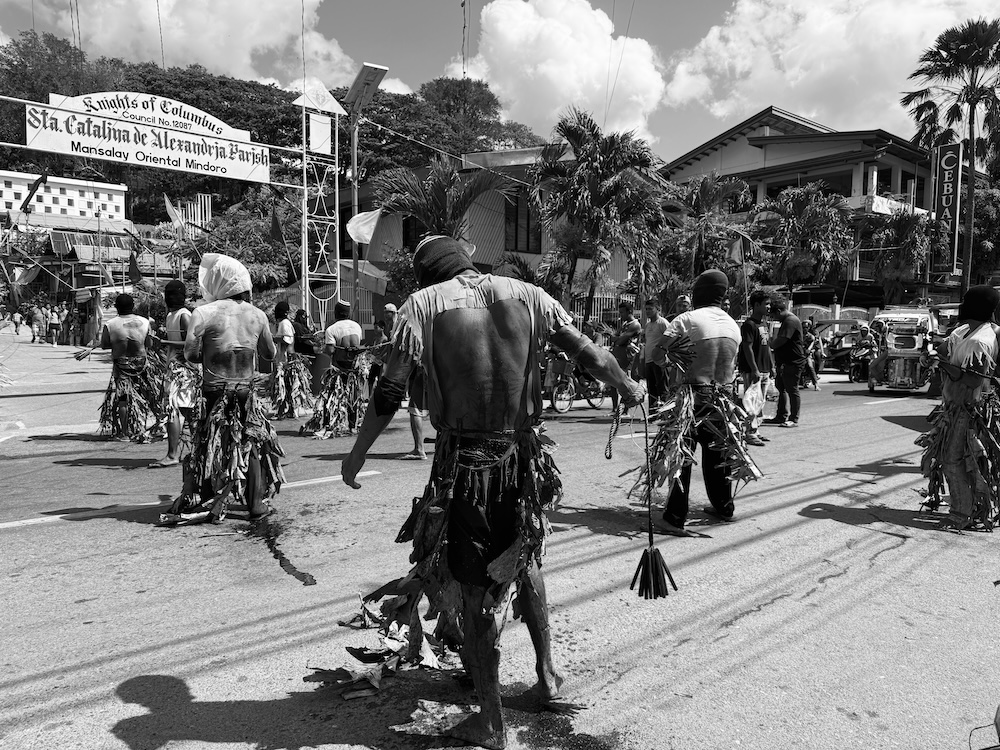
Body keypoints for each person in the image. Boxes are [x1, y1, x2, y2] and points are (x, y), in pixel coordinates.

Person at [342, 235, 644, 750]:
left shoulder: (422, 305)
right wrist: (628, 386)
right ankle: (547, 677)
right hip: (521, 458)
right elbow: (590, 353)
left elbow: (391, 389)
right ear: (466, 261)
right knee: (522, 559)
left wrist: (358, 452)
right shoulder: (530, 296)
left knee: (479, 586)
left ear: (427, 275)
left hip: (467, 466)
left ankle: (491, 722)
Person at [161, 253, 283, 526]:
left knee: (206, 443)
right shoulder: (258, 315)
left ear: (217, 283)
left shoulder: (203, 313)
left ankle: (207, 496)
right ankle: (255, 504)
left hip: (213, 391)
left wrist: (213, 351)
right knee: (250, 443)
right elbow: (269, 353)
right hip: (245, 392)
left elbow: (191, 355)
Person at [657, 270, 744, 534]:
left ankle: (674, 517)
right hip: (723, 399)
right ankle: (723, 507)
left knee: (681, 456)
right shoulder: (733, 325)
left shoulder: (686, 319)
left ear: (698, 293)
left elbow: (659, 355)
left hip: (692, 397)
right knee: (720, 456)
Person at [917, 285, 1000, 531]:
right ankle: (970, 506)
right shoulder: (964, 331)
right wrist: (930, 354)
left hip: (970, 410)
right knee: (960, 460)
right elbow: (943, 350)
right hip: (954, 407)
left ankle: (961, 513)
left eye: (966, 300)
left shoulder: (982, 340)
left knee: (953, 460)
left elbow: (973, 380)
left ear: (976, 306)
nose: (962, 304)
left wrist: (941, 364)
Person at [149, 280, 199, 469]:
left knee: (175, 410)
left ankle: (173, 454)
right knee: (185, 410)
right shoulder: (172, 316)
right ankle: (192, 451)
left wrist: (164, 342)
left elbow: (191, 344)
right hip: (175, 368)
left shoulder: (184, 316)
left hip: (183, 370)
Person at [99, 294, 160, 441]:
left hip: (122, 364)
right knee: (150, 394)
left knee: (123, 399)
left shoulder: (110, 324)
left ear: (116, 307)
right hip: (141, 362)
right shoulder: (144, 322)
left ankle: (125, 433)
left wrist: (118, 341)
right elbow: (149, 344)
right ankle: (160, 425)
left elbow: (104, 345)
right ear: (133, 306)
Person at [302, 301, 366, 438]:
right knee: (353, 397)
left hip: (338, 369)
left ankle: (329, 424)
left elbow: (330, 350)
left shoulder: (332, 329)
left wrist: (321, 347)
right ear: (349, 313)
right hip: (354, 369)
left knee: (330, 397)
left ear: (335, 313)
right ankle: (352, 426)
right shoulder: (357, 327)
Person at [738, 290, 773, 447]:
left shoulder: (764, 324)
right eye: (766, 304)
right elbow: (747, 348)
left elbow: (767, 346)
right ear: (756, 305)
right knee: (751, 402)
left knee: (760, 402)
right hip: (753, 370)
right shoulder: (749, 325)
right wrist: (754, 369)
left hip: (764, 369)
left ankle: (756, 429)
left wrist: (771, 366)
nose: (769, 306)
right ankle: (749, 432)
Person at [764, 297, 806, 428]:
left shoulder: (790, 321)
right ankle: (781, 415)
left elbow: (781, 340)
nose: (773, 318)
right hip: (784, 361)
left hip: (793, 361)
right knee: (780, 388)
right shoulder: (786, 321)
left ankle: (793, 418)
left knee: (792, 389)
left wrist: (770, 343)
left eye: (773, 315)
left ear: (778, 311)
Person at [268, 300, 313, 420]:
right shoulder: (287, 322)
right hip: (289, 359)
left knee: (282, 387)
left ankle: (281, 412)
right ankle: (291, 411)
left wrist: (273, 338)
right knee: (288, 387)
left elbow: (286, 339)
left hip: (286, 360)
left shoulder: (284, 323)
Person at [610, 301, 642, 411]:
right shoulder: (624, 324)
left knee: (624, 384)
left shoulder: (635, 325)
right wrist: (616, 338)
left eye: (622, 312)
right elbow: (615, 337)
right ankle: (615, 408)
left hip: (627, 358)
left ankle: (625, 409)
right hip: (618, 356)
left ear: (630, 312)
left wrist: (616, 338)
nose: (620, 315)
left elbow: (619, 340)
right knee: (613, 382)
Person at [643, 299, 669, 410]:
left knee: (662, 388)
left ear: (657, 309)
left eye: (650, 309)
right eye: (646, 309)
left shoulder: (663, 323)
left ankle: (665, 414)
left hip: (660, 361)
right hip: (649, 361)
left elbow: (670, 338)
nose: (648, 311)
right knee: (651, 389)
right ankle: (653, 414)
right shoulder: (648, 325)